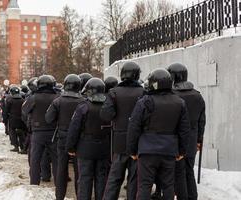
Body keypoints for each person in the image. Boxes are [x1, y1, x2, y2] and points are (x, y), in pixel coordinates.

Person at [126, 68, 190, 200]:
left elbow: (134, 127)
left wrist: (132, 150)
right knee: (168, 186)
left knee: (144, 185)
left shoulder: (144, 101)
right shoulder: (179, 102)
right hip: (169, 149)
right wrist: (182, 151)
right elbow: (184, 130)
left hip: (147, 150)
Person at [101, 62, 144, 200]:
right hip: (138, 141)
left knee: (114, 178)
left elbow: (106, 115)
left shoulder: (114, 92)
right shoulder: (143, 92)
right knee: (134, 179)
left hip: (119, 141)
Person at [66, 78, 110, 200]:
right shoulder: (108, 106)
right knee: (101, 179)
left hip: (85, 148)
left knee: (85, 179)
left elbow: (74, 128)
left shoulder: (83, 107)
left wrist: (70, 147)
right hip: (104, 148)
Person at [168, 63, 206, 200]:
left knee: (178, 172)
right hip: (192, 139)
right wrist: (199, 140)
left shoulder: (171, 95)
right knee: (189, 171)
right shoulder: (198, 96)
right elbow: (202, 121)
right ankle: (192, 196)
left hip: (176, 139)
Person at [45, 74, 84, 200]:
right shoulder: (83, 101)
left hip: (62, 138)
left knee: (61, 169)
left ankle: (59, 196)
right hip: (80, 139)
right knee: (79, 170)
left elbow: (49, 119)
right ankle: (80, 196)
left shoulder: (58, 101)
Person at [22, 75, 60, 185]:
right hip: (54, 132)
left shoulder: (33, 97)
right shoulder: (57, 97)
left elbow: (24, 111)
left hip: (37, 132)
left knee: (35, 160)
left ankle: (34, 183)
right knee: (56, 160)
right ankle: (58, 184)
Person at [6, 86, 26, 152]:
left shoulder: (10, 100)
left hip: (12, 120)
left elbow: (7, 110)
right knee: (21, 133)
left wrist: (6, 118)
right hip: (21, 120)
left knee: (13, 133)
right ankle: (22, 147)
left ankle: (16, 146)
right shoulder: (23, 100)